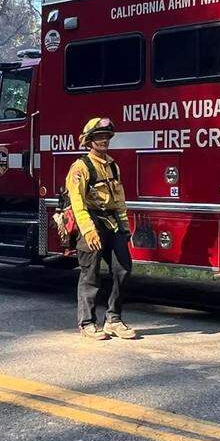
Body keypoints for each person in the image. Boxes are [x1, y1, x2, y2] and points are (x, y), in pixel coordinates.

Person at [67, 117, 137, 341]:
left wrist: (125, 229)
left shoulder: (113, 165)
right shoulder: (80, 168)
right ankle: (87, 323)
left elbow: (119, 200)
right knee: (91, 273)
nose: (104, 140)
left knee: (123, 268)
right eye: (99, 136)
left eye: (106, 136)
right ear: (89, 141)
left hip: (112, 223)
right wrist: (88, 231)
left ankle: (113, 320)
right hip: (92, 223)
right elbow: (77, 202)